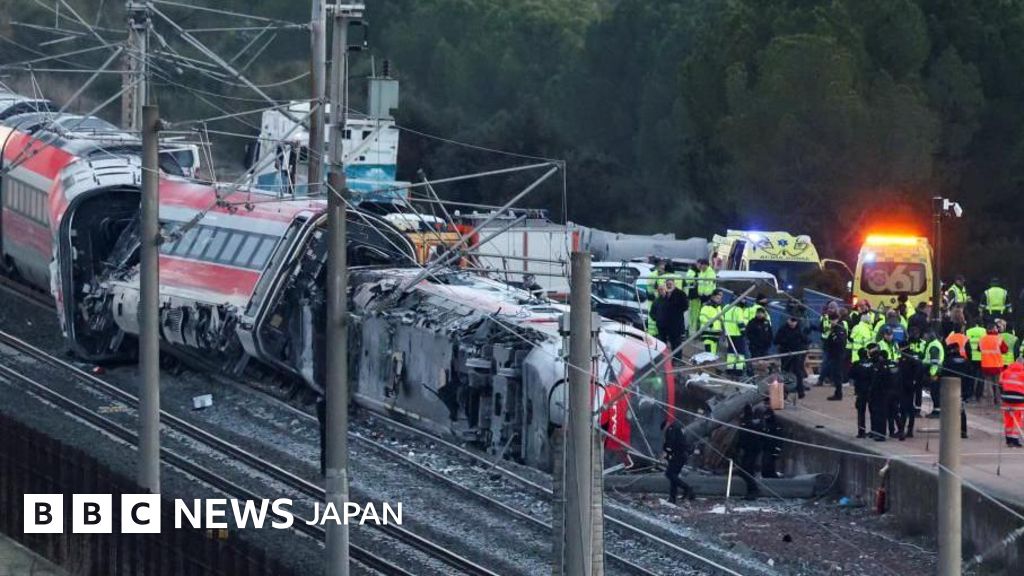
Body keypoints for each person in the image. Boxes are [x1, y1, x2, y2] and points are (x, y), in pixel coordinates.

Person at [775, 313, 809, 399]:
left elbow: (805, 340)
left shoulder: (799, 329)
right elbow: (776, 340)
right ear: (788, 320)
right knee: (785, 373)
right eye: (792, 321)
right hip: (786, 354)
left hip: (796, 354)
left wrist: (802, 347)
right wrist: (785, 342)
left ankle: (800, 391)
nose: (793, 323)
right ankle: (784, 392)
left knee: (798, 372)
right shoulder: (783, 329)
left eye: (795, 321)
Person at [652, 278, 689, 358]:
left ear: (674, 284)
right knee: (664, 343)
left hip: (676, 324)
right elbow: (656, 310)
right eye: (667, 284)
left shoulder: (680, 294)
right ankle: (664, 359)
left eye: (670, 284)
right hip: (664, 325)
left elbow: (685, 306)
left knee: (676, 343)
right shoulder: (663, 296)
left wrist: (675, 304)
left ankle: (677, 359)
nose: (669, 286)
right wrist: (657, 319)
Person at [941, 340, 970, 439]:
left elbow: (943, 374)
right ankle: (963, 430)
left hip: (950, 389)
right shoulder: (965, 361)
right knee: (961, 410)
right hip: (963, 390)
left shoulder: (948, 361)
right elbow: (970, 375)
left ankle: (950, 430)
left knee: (949, 410)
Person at [850, 343, 880, 438]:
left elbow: (850, 375)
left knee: (861, 412)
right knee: (873, 412)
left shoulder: (856, 364)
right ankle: (874, 431)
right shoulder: (872, 364)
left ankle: (861, 432)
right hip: (871, 391)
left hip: (860, 391)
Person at [662, 419, 694, 502]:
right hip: (682, 455)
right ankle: (672, 498)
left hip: (678, 455)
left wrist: (667, 453)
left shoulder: (671, 429)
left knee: (669, 474)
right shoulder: (677, 428)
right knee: (674, 476)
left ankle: (687, 488)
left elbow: (671, 444)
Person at [979, 323, 1009, 404]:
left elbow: (979, 349)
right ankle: (998, 400)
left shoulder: (982, 339)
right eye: (996, 328)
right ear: (993, 329)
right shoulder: (999, 338)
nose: (997, 329)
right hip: (997, 365)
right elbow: (1005, 350)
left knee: (988, 384)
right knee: (997, 384)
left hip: (986, 365)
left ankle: (990, 400)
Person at [999, 360, 1024, 447]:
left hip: (1006, 399)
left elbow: (1000, 385)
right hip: (1019, 399)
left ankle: (1008, 439)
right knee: (1017, 419)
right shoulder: (1023, 373)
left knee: (1008, 418)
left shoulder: (1005, 372)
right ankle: (1014, 440)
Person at [825, 311, 848, 400]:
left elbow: (840, 342)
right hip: (834, 354)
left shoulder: (839, 328)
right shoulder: (834, 328)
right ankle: (837, 392)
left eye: (833, 320)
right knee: (835, 374)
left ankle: (839, 394)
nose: (831, 321)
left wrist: (833, 336)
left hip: (838, 354)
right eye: (831, 320)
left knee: (837, 374)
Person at [923, 330, 945, 418]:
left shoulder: (933, 346)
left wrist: (933, 373)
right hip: (936, 371)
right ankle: (936, 410)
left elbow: (934, 361)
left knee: (935, 393)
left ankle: (937, 411)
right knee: (935, 392)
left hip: (934, 372)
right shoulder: (936, 343)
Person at [723, 298, 748, 375]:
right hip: (738, 334)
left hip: (728, 334)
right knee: (740, 353)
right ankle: (738, 370)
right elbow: (740, 323)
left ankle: (729, 369)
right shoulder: (738, 310)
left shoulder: (726, 307)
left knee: (730, 353)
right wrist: (744, 332)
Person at [965, 317, 988, 401]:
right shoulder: (985, 332)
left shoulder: (968, 331)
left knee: (971, 376)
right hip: (982, 357)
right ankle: (979, 395)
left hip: (972, 357)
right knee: (981, 377)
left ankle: (970, 393)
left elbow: (966, 345)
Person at [698, 289, 725, 356]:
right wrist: (710, 324)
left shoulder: (718, 307)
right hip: (708, 333)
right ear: (713, 297)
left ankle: (710, 364)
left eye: (720, 298)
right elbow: (702, 318)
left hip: (716, 333)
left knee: (714, 353)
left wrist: (722, 320)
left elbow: (721, 318)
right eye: (717, 298)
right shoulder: (706, 306)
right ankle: (708, 365)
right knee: (709, 352)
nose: (719, 300)